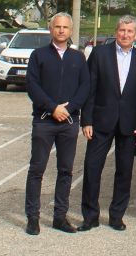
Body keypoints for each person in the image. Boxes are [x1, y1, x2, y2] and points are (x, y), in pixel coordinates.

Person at [78, 15, 136, 232]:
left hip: (130, 125)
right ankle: (90, 216)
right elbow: (89, 88)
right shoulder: (100, 54)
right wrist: (86, 120)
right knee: (92, 168)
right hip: (101, 121)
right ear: (116, 32)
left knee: (124, 172)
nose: (125, 35)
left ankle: (117, 216)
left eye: (130, 31)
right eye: (122, 30)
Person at [24, 12, 90, 235]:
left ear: (71, 30)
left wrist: (69, 109)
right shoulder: (38, 55)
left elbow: (85, 87)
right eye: (57, 27)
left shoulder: (78, 58)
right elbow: (32, 86)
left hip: (68, 122)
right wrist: (53, 108)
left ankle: (60, 217)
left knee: (65, 171)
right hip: (44, 122)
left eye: (65, 27)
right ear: (51, 29)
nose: (61, 30)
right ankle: (33, 217)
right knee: (37, 170)